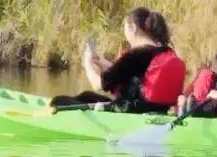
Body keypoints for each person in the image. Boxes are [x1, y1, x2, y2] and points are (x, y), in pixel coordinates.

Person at [50, 7, 186, 114]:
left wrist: (87, 65)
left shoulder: (136, 55)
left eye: (125, 27)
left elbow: (99, 85)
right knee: (88, 96)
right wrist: (103, 63)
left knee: (58, 101)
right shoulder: (166, 51)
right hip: (156, 110)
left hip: (130, 112)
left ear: (132, 28)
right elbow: (136, 77)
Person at [176, 50, 217, 116]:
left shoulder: (204, 75)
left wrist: (181, 106)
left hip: (196, 109)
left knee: (184, 101)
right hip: (215, 112)